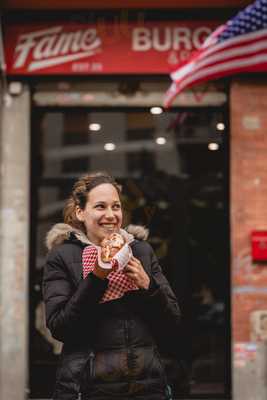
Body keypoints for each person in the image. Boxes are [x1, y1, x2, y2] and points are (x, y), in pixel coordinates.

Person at [42, 172, 183, 400]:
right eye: (100, 206)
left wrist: (148, 286)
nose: (110, 215)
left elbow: (171, 322)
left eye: (115, 207)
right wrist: (97, 277)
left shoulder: (140, 251)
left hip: (146, 387)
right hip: (87, 389)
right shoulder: (62, 256)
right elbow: (61, 328)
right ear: (80, 212)